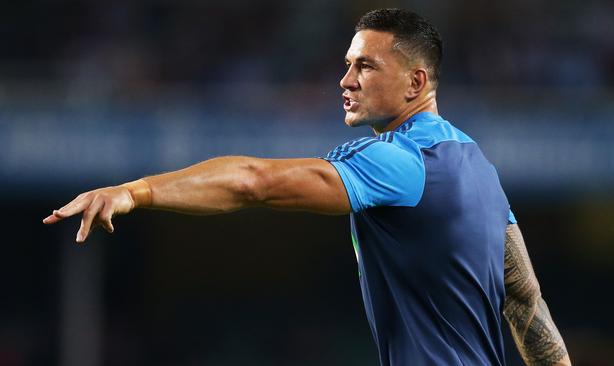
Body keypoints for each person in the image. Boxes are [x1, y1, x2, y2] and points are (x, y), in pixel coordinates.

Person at [43, 8, 570, 366]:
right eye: (347, 65)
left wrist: (135, 191)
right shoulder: (478, 166)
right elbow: (526, 305)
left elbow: (255, 182)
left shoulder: (402, 162)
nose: (346, 81)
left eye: (365, 66)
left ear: (415, 82)